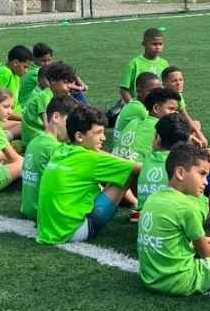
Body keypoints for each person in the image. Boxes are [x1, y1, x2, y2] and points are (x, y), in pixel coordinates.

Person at [138, 143, 210, 297]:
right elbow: (207, 254)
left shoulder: (153, 198)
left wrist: (207, 239)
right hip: (181, 281)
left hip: (151, 279)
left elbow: (171, 238)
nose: (205, 182)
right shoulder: (186, 207)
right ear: (180, 173)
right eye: (202, 174)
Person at [36, 105, 139, 246]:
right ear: (79, 136)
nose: (103, 137)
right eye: (98, 133)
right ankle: (140, 209)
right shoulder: (91, 159)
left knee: (111, 172)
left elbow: (100, 156)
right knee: (127, 174)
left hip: (48, 229)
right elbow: (139, 168)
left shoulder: (61, 149)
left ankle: (132, 203)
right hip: (73, 231)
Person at [20, 94, 75, 220]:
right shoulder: (54, 148)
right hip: (44, 213)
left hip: (28, 209)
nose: (73, 128)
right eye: (70, 122)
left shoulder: (34, 142)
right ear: (56, 117)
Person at [20, 62, 78, 150]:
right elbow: (48, 126)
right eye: (66, 82)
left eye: (70, 83)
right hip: (35, 139)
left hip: (41, 137)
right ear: (53, 81)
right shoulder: (44, 97)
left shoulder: (55, 95)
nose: (69, 86)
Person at [112, 71, 163, 157]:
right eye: (151, 91)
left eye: (158, 91)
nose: (156, 94)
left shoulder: (135, 105)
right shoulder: (138, 109)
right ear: (139, 90)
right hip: (126, 152)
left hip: (120, 149)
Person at [118, 28, 169, 104]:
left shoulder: (164, 63)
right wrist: (132, 104)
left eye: (160, 44)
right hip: (140, 104)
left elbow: (167, 86)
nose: (158, 47)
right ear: (144, 44)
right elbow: (124, 89)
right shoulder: (134, 63)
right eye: (154, 44)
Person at [0, 45, 33, 110]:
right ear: (15, 63)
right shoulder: (4, 73)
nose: (26, 71)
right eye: (25, 67)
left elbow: (15, 103)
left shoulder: (16, 75)